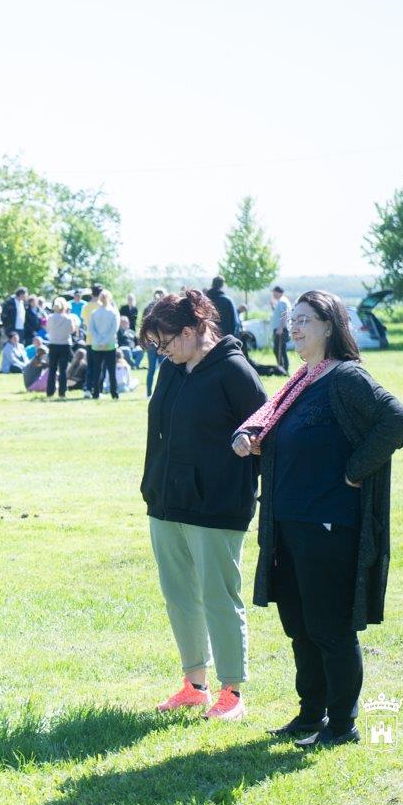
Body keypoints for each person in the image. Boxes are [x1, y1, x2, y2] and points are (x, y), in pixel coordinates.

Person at [233, 290, 403, 747]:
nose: (295, 327)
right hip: (288, 524)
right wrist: (250, 435)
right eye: (292, 320)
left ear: (330, 326)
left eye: (306, 320)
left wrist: (354, 472)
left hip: (328, 525)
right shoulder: (300, 382)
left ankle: (342, 724)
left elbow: (396, 420)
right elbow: (264, 422)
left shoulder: (346, 379)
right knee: (299, 625)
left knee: (329, 627)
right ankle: (310, 714)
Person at [139, 290, 267, 721]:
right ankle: (194, 686)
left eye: (167, 341)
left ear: (193, 330)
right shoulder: (171, 370)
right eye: (156, 344)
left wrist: (250, 444)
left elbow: (267, 431)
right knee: (179, 597)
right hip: (167, 502)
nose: (163, 351)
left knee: (218, 596)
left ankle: (232, 692)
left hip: (217, 505)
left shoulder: (234, 370)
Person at [44, 296, 80, 398]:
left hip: (53, 344)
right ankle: (62, 392)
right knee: (63, 370)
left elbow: (48, 330)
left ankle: (50, 391)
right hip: (64, 344)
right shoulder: (68, 318)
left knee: (52, 369)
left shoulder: (50, 318)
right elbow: (72, 330)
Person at [86, 290, 119, 400]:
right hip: (109, 344)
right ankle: (114, 393)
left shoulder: (94, 313)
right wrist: (105, 341)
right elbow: (113, 330)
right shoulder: (113, 312)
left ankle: (95, 393)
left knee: (97, 370)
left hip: (96, 345)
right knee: (111, 370)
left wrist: (99, 340)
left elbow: (91, 329)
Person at [143, 288, 166, 397]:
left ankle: (151, 393)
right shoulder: (164, 309)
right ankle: (151, 393)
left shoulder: (148, 308)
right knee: (160, 369)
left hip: (155, 343)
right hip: (156, 343)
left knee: (157, 369)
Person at [271, 286, 291, 371]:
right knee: (280, 349)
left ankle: (283, 368)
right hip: (281, 329)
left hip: (281, 330)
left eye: (274, 292)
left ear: (278, 292)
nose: (273, 294)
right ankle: (282, 368)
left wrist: (281, 328)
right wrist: (272, 307)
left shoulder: (282, 301)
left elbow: (284, 315)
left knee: (279, 349)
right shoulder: (282, 301)